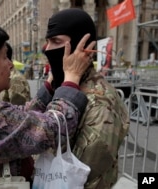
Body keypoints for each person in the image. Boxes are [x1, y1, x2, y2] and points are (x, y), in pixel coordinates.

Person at [0, 19, 95, 186]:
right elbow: (52, 129)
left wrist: (49, 85)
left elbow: (18, 119)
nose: (11, 65)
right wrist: (72, 77)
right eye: (5, 57)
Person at [44, 8, 129, 189]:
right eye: (47, 41)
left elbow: (82, 174)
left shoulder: (101, 102)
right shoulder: (62, 88)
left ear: (82, 47)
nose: (47, 49)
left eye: (55, 41)